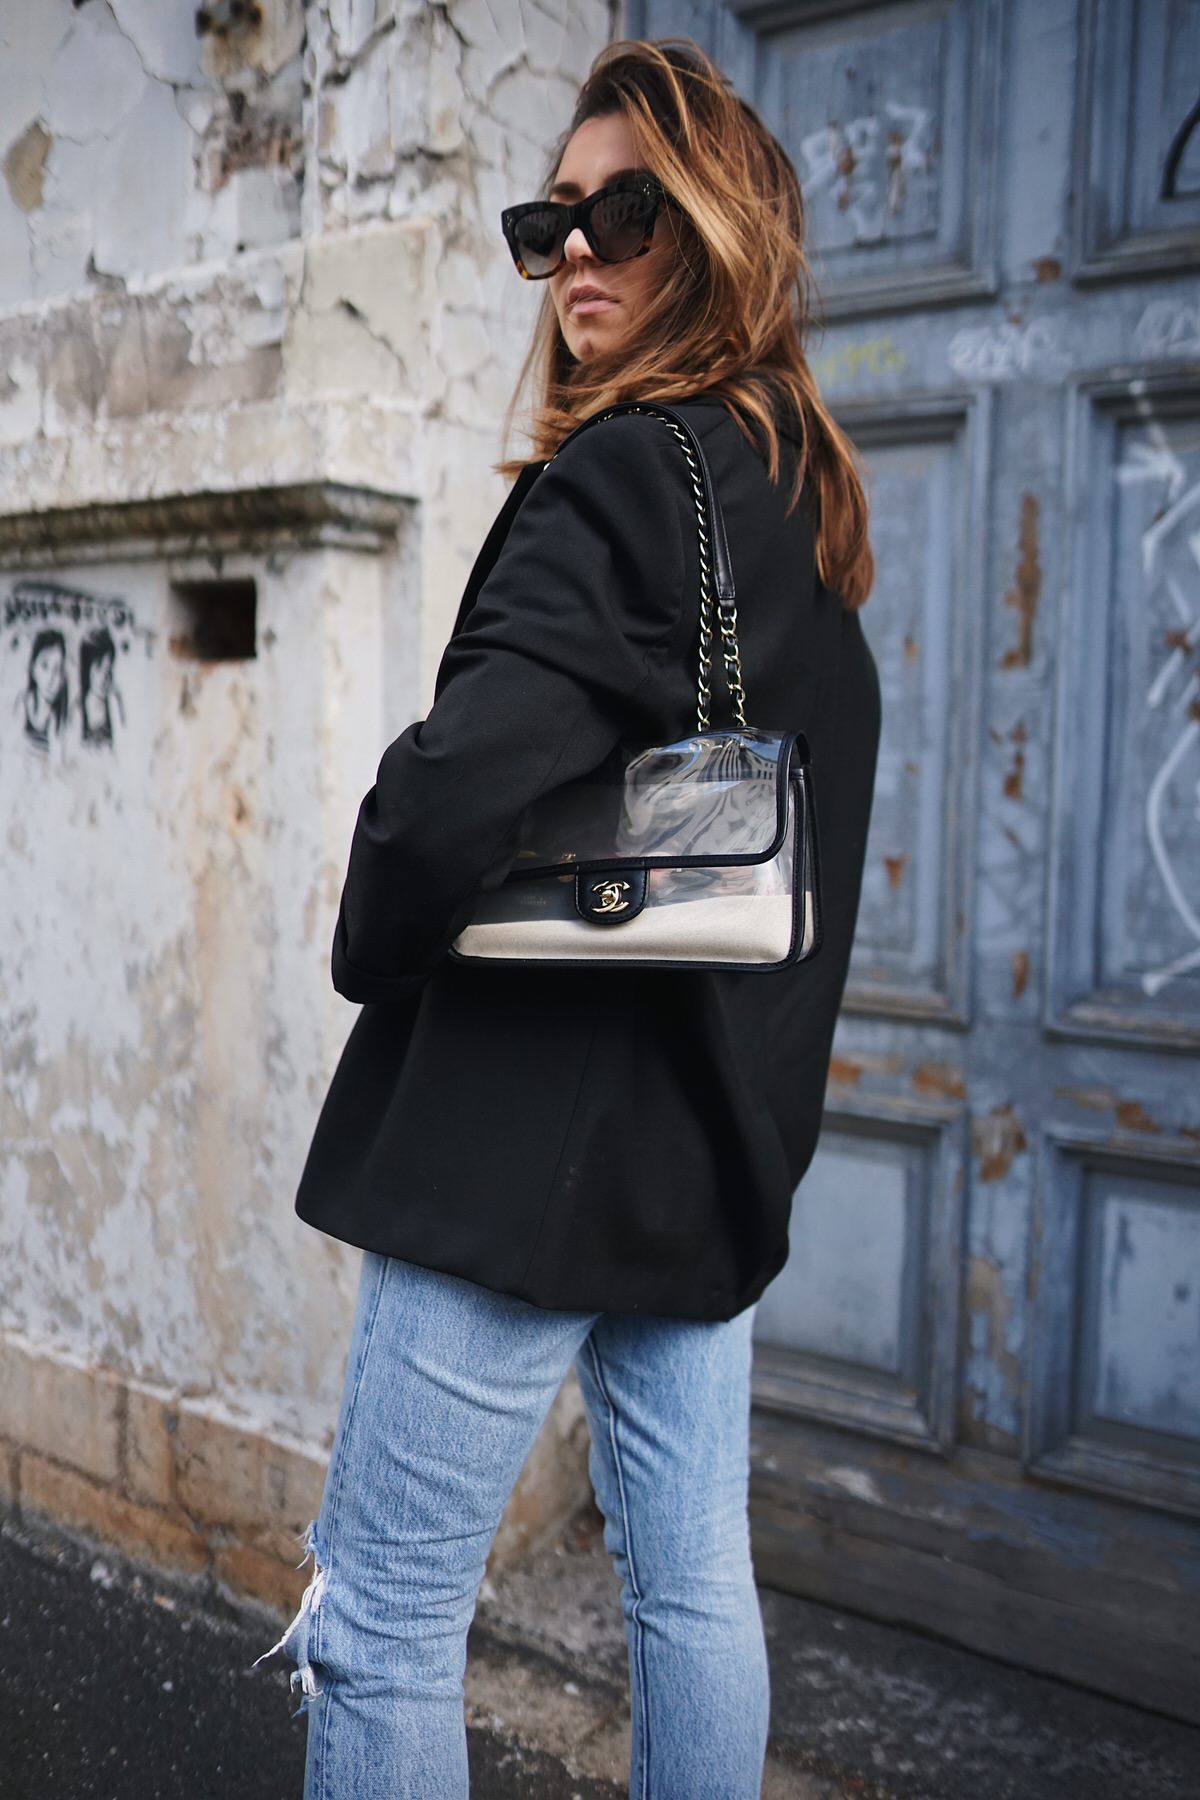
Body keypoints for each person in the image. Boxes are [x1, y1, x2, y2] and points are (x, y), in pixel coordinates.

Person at [252, 36, 882, 1800]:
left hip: (516, 1152)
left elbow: (458, 793)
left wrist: (372, 935)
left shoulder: (622, 479)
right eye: (552, 222)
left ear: (723, 231)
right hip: (703, 1157)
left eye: (626, 210)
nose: (580, 253)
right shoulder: (807, 523)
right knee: (689, 1592)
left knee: (380, 1627)